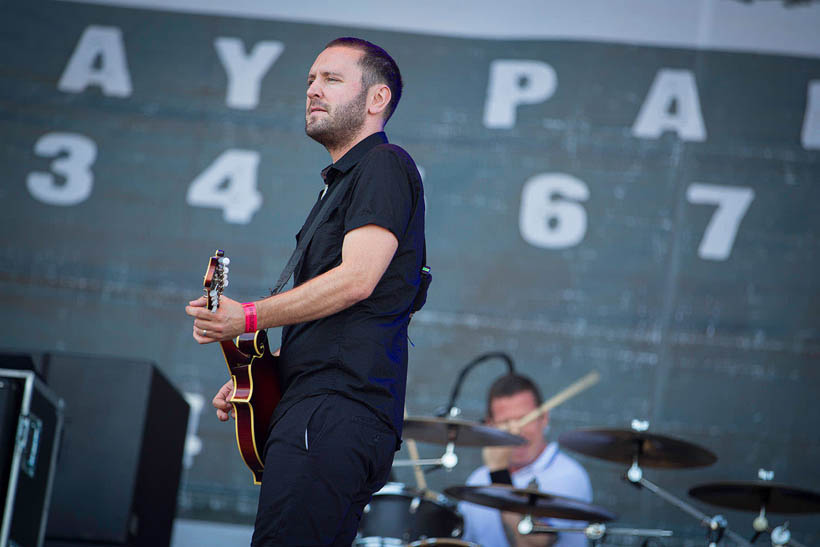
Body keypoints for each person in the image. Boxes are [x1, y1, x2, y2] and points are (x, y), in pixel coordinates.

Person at [185, 37, 425, 546]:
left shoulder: (384, 165)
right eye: (311, 81)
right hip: (319, 408)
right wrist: (262, 384)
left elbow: (358, 279)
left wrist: (247, 318)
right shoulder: (340, 183)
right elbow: (328, 325)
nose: (313, 91)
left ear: (377, 98)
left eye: (332, 80)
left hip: (334, 410)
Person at [459, 374, 593, 547]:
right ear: (490, 426)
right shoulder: (477, 480)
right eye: (506, 423)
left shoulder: (568, 475)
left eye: (525, 419)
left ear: (543, 418)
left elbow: (532, 544)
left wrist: (499, 474)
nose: (516, 431)